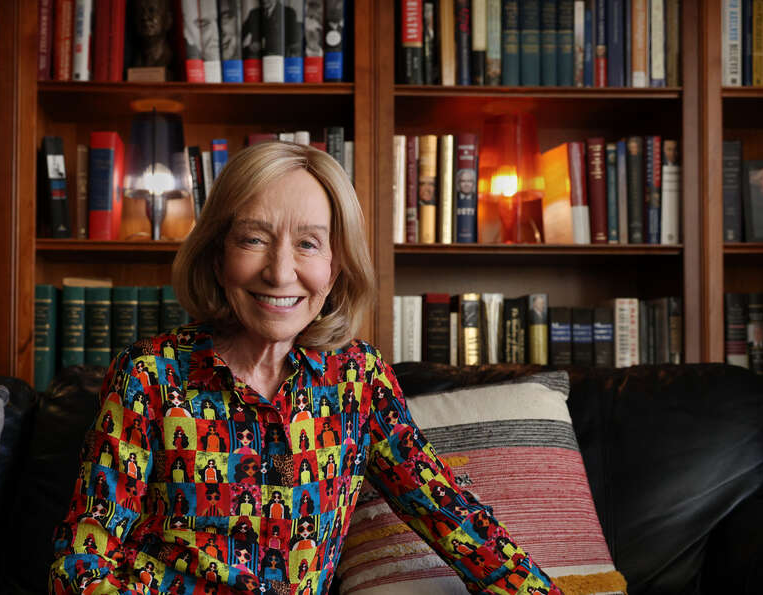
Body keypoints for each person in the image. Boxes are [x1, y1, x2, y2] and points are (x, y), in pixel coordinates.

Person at [49, 142, 561, 594]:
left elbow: (451, 515)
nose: (279, 271)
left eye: (308, 243)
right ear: (218, 253)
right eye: (253, 239)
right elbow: (82, 563)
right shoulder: (149, 375)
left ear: (337, 265)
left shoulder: (359, 380)